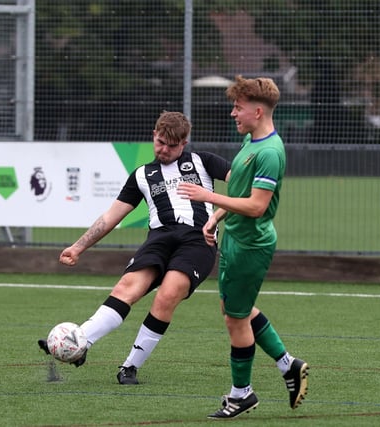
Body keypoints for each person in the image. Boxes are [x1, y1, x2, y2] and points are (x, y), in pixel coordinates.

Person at [38, 111, 231, 385]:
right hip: (159, 239)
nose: (164, 149)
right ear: (154, 135)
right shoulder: (142, 175)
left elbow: (243, 184)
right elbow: (110, 217)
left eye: (172, 145)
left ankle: (129, 367)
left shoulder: (203, 161)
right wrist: (78, 247)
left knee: (167, 295)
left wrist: (214, 216)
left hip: (197, 240)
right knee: (125, 289)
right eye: (160, 142)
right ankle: (79, 343)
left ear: (185, 142)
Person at [177, 75, 309, 418]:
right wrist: (216, 216)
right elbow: (239, 194)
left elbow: (257, 206)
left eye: (238, 108)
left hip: (250, 246)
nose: (233, 114)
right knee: (237, 309)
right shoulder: (252, 142)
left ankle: (242, 394)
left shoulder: (268, 152)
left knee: (235, 318)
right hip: (236, 239)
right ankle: (287, 364)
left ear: (258, 110)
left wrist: (208, 197)